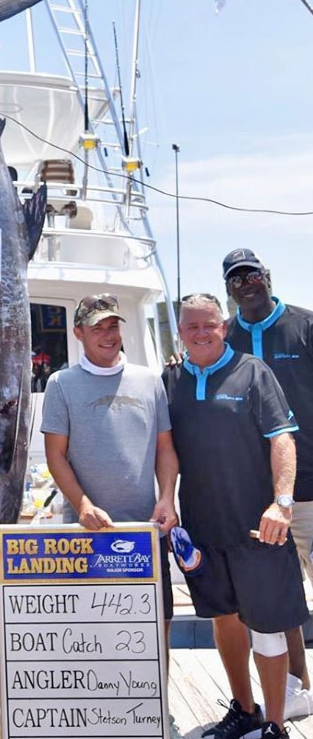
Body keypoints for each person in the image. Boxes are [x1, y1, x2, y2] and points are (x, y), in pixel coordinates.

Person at [163, 292, 305, 739]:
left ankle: (275, 725)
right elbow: (165, 449)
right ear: (180, 332)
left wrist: (281, 503)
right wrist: (165, 498)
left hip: (257, 523)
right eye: (192, 326)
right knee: (223, 618)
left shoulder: (252, 371)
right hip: (203, 524)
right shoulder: (171, 379)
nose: (201, 333)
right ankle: (244, 710)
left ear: (224, 326)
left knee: (265, 624)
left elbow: (283, 439)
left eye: (209, 324)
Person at [40, 294, 179, 628]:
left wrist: (166, 498)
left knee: (157, 624)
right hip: (86, 533)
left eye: (113, 325)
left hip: (146, 531)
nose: (108, 335)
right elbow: (55, 456)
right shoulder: (61, 384)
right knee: (92, 630)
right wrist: (83, 504)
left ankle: (157, 683)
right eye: (97, 328)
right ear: (78, 333)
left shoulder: (149, 381)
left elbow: (165, 449)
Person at [221, 248, 313, 719]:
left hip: (312, 488)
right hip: (258, 494)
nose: (246, 284)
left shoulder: (305, 325)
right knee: (280, 595)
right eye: (236, 279)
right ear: (228, 288)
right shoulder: (225, 336)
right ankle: (299, 687)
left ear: (268, 276)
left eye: (252, 274)